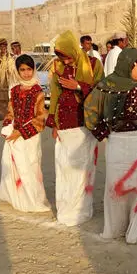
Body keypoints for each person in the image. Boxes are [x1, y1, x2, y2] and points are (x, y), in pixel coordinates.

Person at [84, 48, 137, 244]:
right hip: (117, 142)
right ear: (127, 65)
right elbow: (90, 108)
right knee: (115, 185)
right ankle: (114, 228)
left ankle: (134, 232)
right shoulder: (108, 84)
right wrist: (102, 132)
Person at [47, 30, 104, 226]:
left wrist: (78, 86)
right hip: (64, 124)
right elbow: (55, 94)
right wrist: (53, 122)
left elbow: (100, 90)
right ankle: (66, 210)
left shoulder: (94, 65)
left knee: (83, 169)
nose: (65, 60)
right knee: (64, 168)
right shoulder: (58, 67)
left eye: (66, 55)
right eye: (60, 56)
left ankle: (81, 211)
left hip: (84, 125)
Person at [0, 54, 51, 212]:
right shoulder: (14, 90)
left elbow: (41, 119)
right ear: (18, 71)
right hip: (14, 134)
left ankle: (32, 199)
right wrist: (7, 127)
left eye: (29, 69)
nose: (26, 73)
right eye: (22, 70)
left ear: (34, 70)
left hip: (30, 137)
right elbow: (10, 112)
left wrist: (20, 132)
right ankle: (17, 197)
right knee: (14, 167)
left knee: (31, 167)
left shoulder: (38, 92)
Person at [0, 38, 13, 119]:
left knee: (8, 98)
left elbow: (12, 68)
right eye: (1, 46)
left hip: (8, 80)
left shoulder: (10, 56)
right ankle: (1, 114)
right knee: (0, 98)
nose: (3, 47)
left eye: (4, 45)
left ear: (6, 46)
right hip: (0, 81)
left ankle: (9, 114)